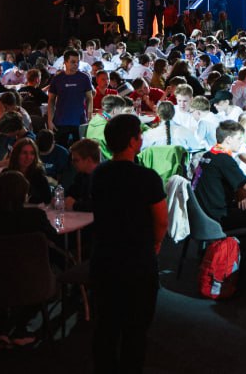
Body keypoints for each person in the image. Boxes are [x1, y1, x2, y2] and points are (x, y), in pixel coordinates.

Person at [91, 113, 168, 374]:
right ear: (133, 141)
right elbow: (161, 220)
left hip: (104, 257)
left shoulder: (99, 174)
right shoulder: (148, 178)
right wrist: (156, 243)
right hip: (137, 260)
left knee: (106, 325)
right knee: (135, 328)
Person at [195, 120, 246, 237]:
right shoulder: (224, 159)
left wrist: (240, 190)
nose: (241, 142)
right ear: (229, 139)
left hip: (200, 213)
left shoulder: (208, 154)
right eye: (239, 138)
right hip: (216, 217)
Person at [48, 48, 94, 146]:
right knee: (61, 149)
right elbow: (51, 100)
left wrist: (89, 117)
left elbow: (89, 98)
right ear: (65, 62)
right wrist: (50, 121)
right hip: (60, 121)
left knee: (80, 150)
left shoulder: (84, 78)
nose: (76, 64)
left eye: (78, 62)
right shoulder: (57, 79)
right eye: (73, 62)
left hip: (80, 121)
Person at [0, 137, 53, 204]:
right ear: (17, 154)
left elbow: (47, 200)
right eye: (24, 153)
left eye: (32, 153)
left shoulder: (39, 175)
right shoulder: (6, 174)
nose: (28, 157)